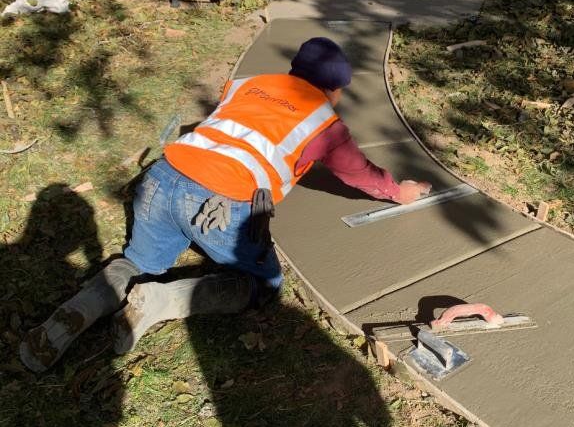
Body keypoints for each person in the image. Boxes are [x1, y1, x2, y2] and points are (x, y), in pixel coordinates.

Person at [20, 37, 430, 373]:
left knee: (136, 261)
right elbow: (356, 173)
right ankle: (162, 301)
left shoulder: (248, 83)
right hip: (219, 204)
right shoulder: (325, 123)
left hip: (163, 177)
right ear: (336, 89)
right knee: (263, 283)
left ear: (294, 71)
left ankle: (69, 316)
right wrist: (400, 192)